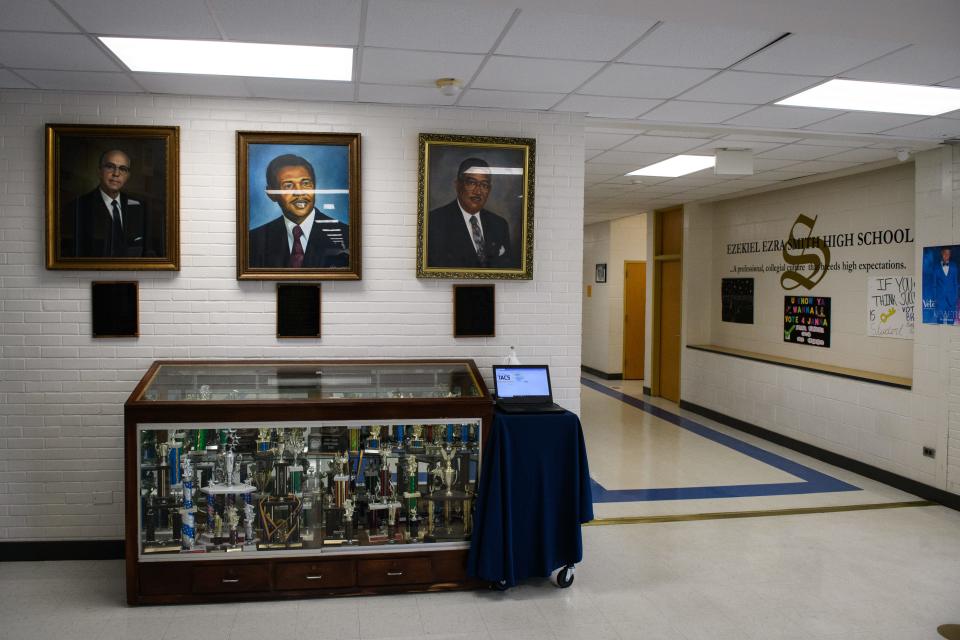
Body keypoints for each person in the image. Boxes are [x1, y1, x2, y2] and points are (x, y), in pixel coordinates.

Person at [248, 154, 349, 268]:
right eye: (288, 185)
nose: (300, 192)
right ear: (271, 194)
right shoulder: (254, 241)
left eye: (306, 183)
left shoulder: (346, 235)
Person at [60, 149, 157, 258]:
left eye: (123, 169)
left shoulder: (139, 207)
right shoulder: (77, 207)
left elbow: (148, 250)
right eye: (110, 167)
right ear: (99, 171)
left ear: (128, 175)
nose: (116, 173)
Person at [427, 157, 513, 269]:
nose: (478, 191)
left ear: (489, 189)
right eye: (472, 183)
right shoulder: (434, 221)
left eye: (484, 185)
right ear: (458, 185)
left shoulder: (499, 224)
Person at [932, 246, 959, 324]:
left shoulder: (954, 266)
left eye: (948, 254)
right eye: (945, 253)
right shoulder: (936, 267)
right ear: (942, 253)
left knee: (951, 323)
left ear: (950, 255)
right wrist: (935, 298)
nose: (947, 255)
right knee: (939, 322)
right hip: (940, 300)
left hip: (952, 300)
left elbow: (955, 283)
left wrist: (955, 297)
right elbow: (934, 285)